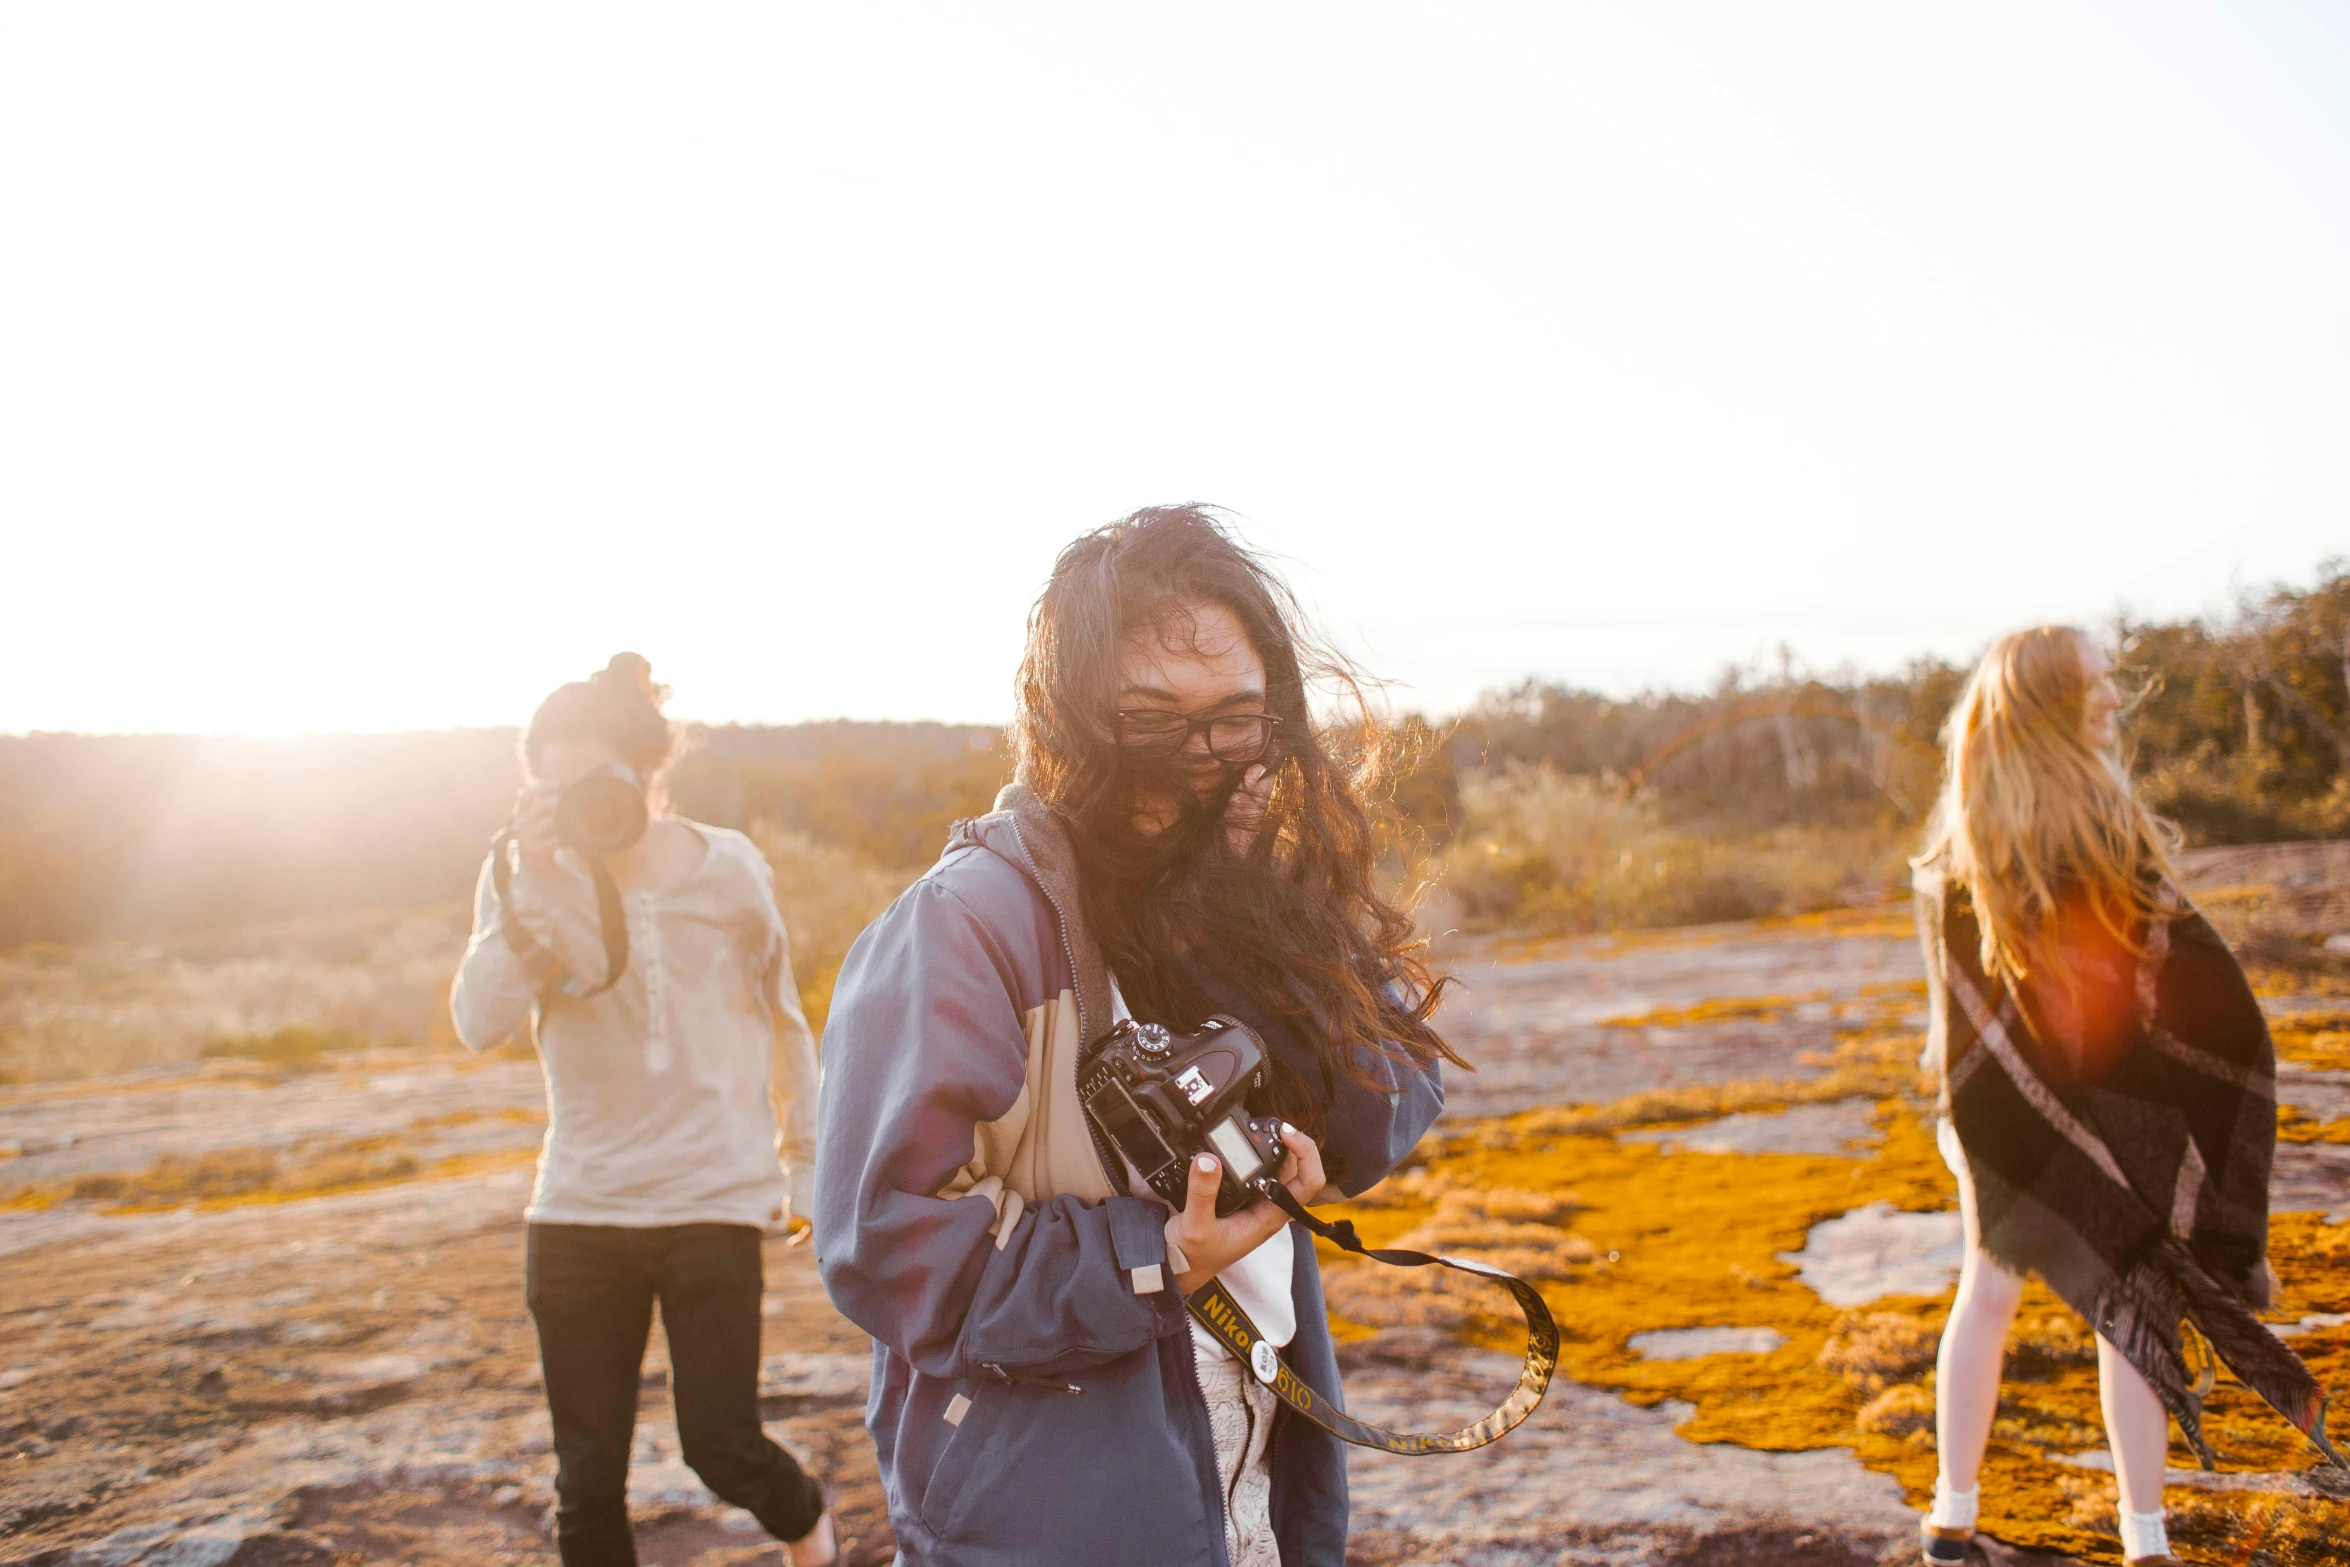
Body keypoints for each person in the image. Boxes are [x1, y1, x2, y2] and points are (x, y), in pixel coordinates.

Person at [814, 507, 1461, 1566]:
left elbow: (1386, 1114)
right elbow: (880, 1247)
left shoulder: (1257, 886)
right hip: (1054, 1509)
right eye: (1150, 719)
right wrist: (1150, 1257)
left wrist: (1254, 921)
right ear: (1064, 715)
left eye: (1231, 720)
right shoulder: (966, 922)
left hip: (1249, 1484)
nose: (1195, 759)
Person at [1911, 627, 2340, 1567]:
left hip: (2004, 1108)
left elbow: (2151, 973)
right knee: (2106, 1300)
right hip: (2013, 1112)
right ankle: (2121, 1540)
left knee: (2013, 1296)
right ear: (2053, 702)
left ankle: (1962, 1521)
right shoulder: (2045, 836)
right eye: (2099, 683)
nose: (2117, 694)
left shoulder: (1978, 835)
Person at [450, 653, 836, 1567]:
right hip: (581, 1209)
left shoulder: (730, 868)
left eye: (596, 778)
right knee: (586, 1481)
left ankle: (811, 1526)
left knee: (720, 1444)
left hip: (714, 1196)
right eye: (554, 782)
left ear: (646, 771)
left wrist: (805, 1158)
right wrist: (536, 877)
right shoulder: (519, 873)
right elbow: (477, 1022)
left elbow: (785, 1020)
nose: (581, 798)